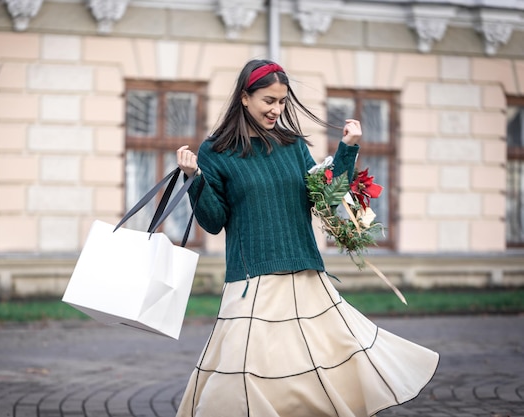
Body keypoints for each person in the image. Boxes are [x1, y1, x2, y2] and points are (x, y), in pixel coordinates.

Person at [175, 59, 439, 417]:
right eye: (269, 100)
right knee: (240, 380)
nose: (277, 109)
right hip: (252, 283)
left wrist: (347, 149)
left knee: (320, 374)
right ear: (244, 98)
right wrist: (194, 178)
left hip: (306, 276)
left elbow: (325, 198)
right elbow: (213, 220)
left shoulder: (291, 145)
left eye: (282, 101)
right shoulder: (216, 152)